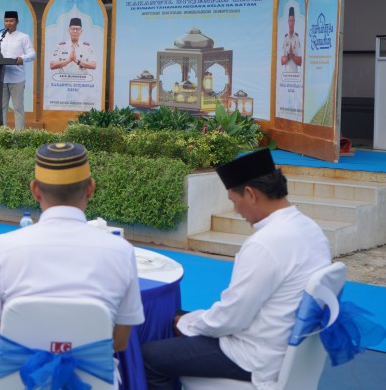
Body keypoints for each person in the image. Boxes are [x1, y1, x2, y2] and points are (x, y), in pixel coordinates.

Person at [141, 148, 331, 389]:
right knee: (181, 318)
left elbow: (231, 319)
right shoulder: (310, 229)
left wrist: (188, 324)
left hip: (255, 356)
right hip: (287, 343)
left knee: (150, 356)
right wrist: (193, 319)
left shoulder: (265, 243)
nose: (236, 211)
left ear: (250, 194)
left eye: (234, 201)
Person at [0, 142, 144, 388]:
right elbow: (118, 342)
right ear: (90, 188)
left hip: (21, 381)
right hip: (94, 382)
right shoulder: (121, 251)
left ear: (35, 190)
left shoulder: (4, 248)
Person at [0, 10, 36, 130]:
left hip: (17, 78)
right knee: (1, 108)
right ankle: (3, 134)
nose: (8, 23)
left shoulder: (23, 37)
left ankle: (19, 135)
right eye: (6, 21)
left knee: (18, 108)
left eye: (11, 20)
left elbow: (32, 54)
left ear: (17, 22)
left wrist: (23, 58)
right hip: (1, 78)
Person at [280, 7, 302, 73]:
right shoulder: (285, 39)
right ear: (288, 22)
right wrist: (289, 57)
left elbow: (300, 62)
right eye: (290, 21)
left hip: (295, 77)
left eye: (292, 21)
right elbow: (282, 61)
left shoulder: (297, 38)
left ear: (294, 22)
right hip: (286, 77)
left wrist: (292, 56)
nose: (291, 24)